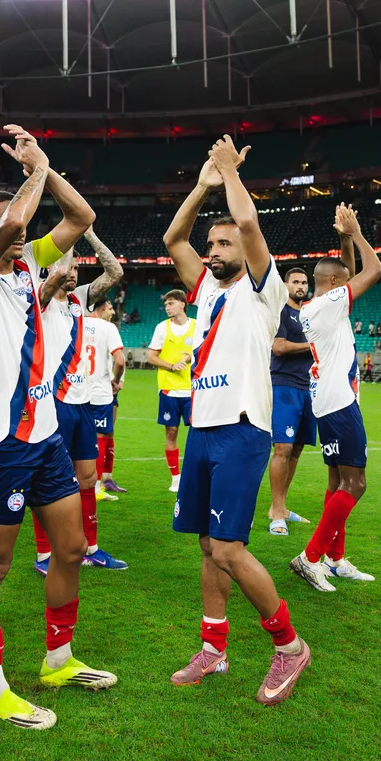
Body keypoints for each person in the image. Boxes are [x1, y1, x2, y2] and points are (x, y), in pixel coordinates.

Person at [0, 125, 116, 732]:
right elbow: (16, 225)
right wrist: (33, 172)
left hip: (43, 436)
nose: (11, 229)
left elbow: (81, 215)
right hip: (2, 443)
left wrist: (47, 166)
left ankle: (58, 661)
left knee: (70, 548)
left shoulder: (23, 271)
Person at [163, 135, 310, 706]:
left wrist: (229, 175)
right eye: (214, 244)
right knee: (207, 545)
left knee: (227, 548)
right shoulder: (205, 290)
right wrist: (201, 187)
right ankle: (214, 648)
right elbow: (174, 237)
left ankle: (290, 646)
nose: (216, 249)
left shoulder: (262, 289)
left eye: (224, 242)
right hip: (204, 427)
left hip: (244, 429)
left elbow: (249, 226)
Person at [290, 204, 381, 590]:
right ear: (334, 285)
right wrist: (359, 233)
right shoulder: (330, 304)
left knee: (337, 480)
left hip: (325, 399)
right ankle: (310, 557)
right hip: (340, 402)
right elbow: (374, 270)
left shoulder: (321, 305)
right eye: (344, 283)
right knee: (356, 483)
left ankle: (335, 557)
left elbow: (345, 270)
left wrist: (343, 239)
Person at [32, 222, 126, 575]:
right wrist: (68, 234)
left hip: (84, 404)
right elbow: (55, 273)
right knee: (46, 479)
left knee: (87, 479)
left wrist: (88, 233)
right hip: (52, 402)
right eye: (68, 265)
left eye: (75, 268)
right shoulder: (40, 297)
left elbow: (114, 271)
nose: (73, 272)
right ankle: (44, 554)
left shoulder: (78, 300)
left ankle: (92, 547)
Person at [267, 261, 344, 536]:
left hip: (309, 388)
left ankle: (282, 506)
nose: (300, 286)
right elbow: (278, 347)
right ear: (286, 285)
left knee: (297, 450)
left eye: (303, 282)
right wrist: (313, 346)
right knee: (282, 449)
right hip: (285, 386)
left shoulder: (311, 313)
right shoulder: (280, 312)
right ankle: (276, 513)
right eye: (295, 282)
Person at [147, 289, 195, 493]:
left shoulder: (197, 326)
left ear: (183, 304)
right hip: (168, 390)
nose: (167, 307)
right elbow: (151, 357)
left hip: (194, 390)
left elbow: (206, 352)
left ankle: (195, 475)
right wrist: (170, 365)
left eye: (171, 303)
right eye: (166, 304)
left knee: (198, 434)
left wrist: (190, 357)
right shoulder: (161, 328)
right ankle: (175, 477)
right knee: (171, 432)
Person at [85, 300, 127, 501]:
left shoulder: (76, 323)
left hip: (75, 392)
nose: (112, 312)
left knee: (77, 440)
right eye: (110, 308)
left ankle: (73, 486)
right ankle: (95, 489)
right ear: (102, 307)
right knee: (101, 438)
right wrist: (116, 381)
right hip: (100, 393)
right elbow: (120, 360)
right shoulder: (108, 328)